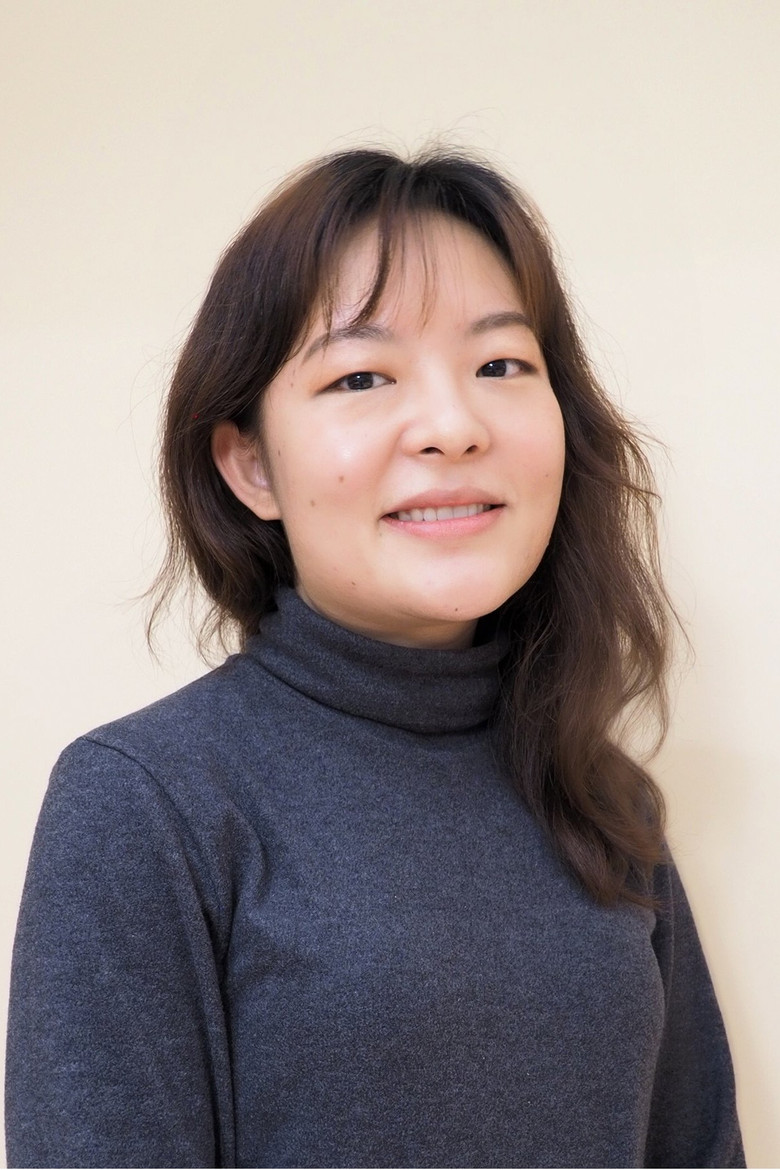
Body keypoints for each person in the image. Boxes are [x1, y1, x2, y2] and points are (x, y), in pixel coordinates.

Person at [5, 147, 744, 1169]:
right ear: (251, 464)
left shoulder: (604, 797)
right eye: (360, 376)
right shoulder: (146, 804)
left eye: (500, 366)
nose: (452, 426)